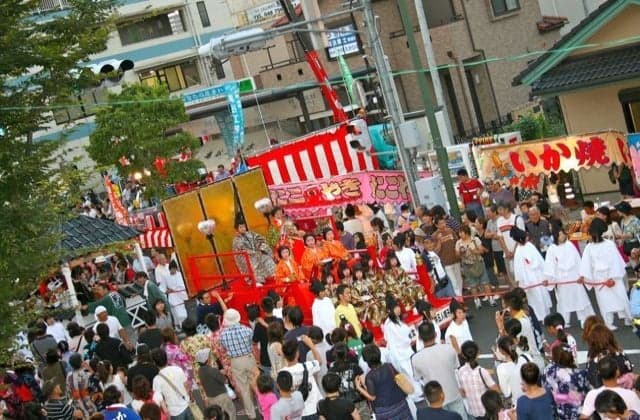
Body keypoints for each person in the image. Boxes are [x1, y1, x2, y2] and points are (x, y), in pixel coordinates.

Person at [580, 218, 632, 330]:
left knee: (622, 298)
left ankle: (629, 319)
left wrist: (613, 277)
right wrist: (584, 276)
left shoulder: (609, 244)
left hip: (613, 277)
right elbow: (586, 265)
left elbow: (616, 262)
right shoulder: (589, 247)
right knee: (604, 302)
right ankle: (608, 323)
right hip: (599, 278)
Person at [411, 322, 467, 419]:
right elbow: (456, 367)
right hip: (453, 392)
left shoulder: (416, 358)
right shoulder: (449, 349)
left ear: (419, 338)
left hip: (434, 399)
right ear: (435, 334)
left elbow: (418, 378)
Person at [543, 228, 595, 328]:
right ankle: (562, 321)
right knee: (563, 301)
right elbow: (549, 266)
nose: (562, 236)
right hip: (561, 279)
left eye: (563, 233)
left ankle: (584, 320)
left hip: (574, 276)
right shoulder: (552, 249)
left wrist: (582, 275)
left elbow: (578, 260)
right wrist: (548, 279)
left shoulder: (570, 245)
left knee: (580, 298)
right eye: (560, 234)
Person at [356, 344, 413, 419]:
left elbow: (372, 397)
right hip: (401, 404)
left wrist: (359, 387)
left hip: (384, 411)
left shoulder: (370, 377)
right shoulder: (389, 366)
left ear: (365, 360)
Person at [219, 308, 258, 420]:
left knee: (244, 389)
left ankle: (251, 414)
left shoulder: (223, 335)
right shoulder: (247, 330)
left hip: (235, 361)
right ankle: (262, 408)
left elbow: (224, 348)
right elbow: (252, 343)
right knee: (256, 385)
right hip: (249, 358)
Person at [510, 226, 552, 320]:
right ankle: (539, 317)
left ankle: (546, 314)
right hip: (529, 279)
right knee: (535, 299)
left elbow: (540, 260)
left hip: (538, 275)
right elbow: (518, 269)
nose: (527, 237)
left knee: (543, 296)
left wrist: (545, 275)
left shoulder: (530, 245)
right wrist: (520, 283)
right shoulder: (518, 251)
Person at [541, 344, 590, 420]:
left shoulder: (548, 372)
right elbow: (587, 394)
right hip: (578, 414)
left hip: (559, 413)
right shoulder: (580, 374)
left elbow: (546, 391)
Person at [280, 337, 323, 419]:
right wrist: (311, 345)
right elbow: (319, 361)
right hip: (314, 409)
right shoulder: (308, 366)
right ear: (297, 353)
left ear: (284, 355)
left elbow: (283, 395)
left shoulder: (282, 373)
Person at [457, 341, 499, 419]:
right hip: (486, 410)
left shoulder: (460, 371)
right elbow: (496, 390)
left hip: (472, 411)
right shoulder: (482, 371)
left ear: (463, 355)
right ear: (478, 353)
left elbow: (462, 393)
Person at [584, 325, 634, 389]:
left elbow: (591, 379)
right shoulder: (621, 354)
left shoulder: (594, 360)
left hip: (603, 392)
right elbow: (630, 371)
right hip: (626, 390)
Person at [151, 348, 193, 420]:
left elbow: (160, 400)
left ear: (154, 363)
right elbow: (187, 386)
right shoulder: (177, 369)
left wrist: (166, 414)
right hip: (187, 404)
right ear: (166, 358)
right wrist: (190, 397)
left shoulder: (156, 380)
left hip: (174, 412)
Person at [456, 225, 492, 308]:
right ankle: (477, 301)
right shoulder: (458, 243)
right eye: (459, 233)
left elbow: (482, 251)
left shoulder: (475, 239)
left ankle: (491, 299)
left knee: (485, 282)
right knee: (472, 285)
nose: (460, 234)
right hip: (467, 266)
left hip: (478, 263)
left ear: (467, 233)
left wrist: (474, 251)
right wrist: (461, 253)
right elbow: (457, 255)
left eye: (461, 232)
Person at [195, 348, 235, 420]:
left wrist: (218, 372)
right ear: (207, 360)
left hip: (211, 398)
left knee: (219, 416)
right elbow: (225, 381)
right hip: (221, 396)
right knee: (229, 413)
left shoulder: (200, 371)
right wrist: (224, 373)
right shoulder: (212, 370)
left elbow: (211, 376)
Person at [232, 219, 276, 285]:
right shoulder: (236, 240)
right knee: (253, 263)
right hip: (246, 257)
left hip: (256, 253)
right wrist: (254, 253)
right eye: (240, 227)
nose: (243, 228)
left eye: (244, 226)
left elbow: (260, 239)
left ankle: (274, 274)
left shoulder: (251, 234)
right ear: (237, 229)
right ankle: (258, 281)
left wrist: (260, 247)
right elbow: (242, 249)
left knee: (266, 258)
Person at [496, 201, 525, 285]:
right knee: (511, 276)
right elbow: (500, 237)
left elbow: (521, 236)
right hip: (507, 254)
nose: (498, 211)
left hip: (518, 252)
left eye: (500, 209)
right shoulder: (499, 221)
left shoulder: (517, 219)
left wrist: (514, 251)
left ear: (507, 209)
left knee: (521, 275)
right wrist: (506, 251)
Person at [433, 217, 463, 296]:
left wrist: (459, 253)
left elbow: (457, 242)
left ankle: (460, 296)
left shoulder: (450, 231)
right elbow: (435, 251)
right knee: (453, 282)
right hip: (446, 263)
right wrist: (439, 241)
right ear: (436, 225)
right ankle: (459, 299)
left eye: (444, 223)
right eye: (440, 224)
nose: (443, 225)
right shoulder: (434, 236)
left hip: (455, 259)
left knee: (459, 280)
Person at [67, 353, 98, 417]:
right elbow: (95, 379)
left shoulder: (69, 376)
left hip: (78, 408)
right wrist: (89, 367)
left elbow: (69, 393)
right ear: (81, 362)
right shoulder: (85, 374)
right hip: (89, 406)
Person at [162, 260, 189, 330]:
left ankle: (184, 325)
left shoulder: (180, 275)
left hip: (180, 295)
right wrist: (167, 291)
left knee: (182, 313)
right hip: (172, 296)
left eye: (174, 269)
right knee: (175, 312)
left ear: (176, 268)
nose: (172, 271)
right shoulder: (166, 276)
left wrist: (174, 289)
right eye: (171, 269)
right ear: (169, 269)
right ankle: (178, 325)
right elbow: (163, 287)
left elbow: (183, 285)